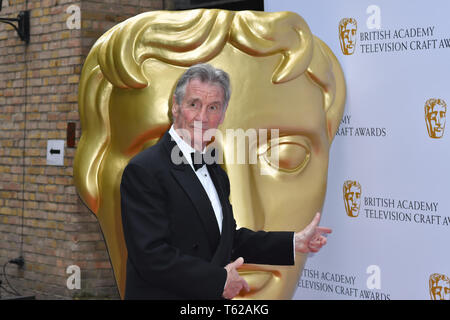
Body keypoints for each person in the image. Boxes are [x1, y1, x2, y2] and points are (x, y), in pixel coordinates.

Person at [120, 64, 331, 299]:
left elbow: (228, 241)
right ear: (175, 107)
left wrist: (293, 242)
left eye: (213, 107)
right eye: (194, 104)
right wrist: (219, 281)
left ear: (222, 114)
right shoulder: (145, 169)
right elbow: (151, 257)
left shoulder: (215, 170)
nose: (202, 117)